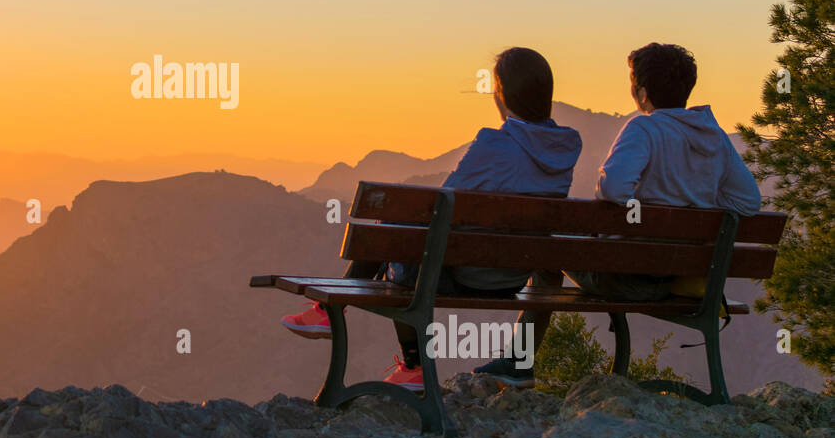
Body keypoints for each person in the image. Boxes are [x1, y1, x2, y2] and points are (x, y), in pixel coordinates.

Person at [280, 47, 582, 391]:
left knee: (398, 234)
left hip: (467, 275)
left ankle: (408, 361)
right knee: (542, 264)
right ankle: (520, 361)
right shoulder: (565, 150)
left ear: (501, 95)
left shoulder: (493, 145)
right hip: (513, 276)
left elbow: (441, 208)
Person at [569, 43, 762, 301]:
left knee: (546, 239)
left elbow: (613, 189)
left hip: (626, 276)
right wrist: (696, 206)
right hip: (676, 279)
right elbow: (748, 201)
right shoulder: (715, 136)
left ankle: (527, 334)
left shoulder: (644, 129)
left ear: (642, 93)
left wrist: (642, 211)